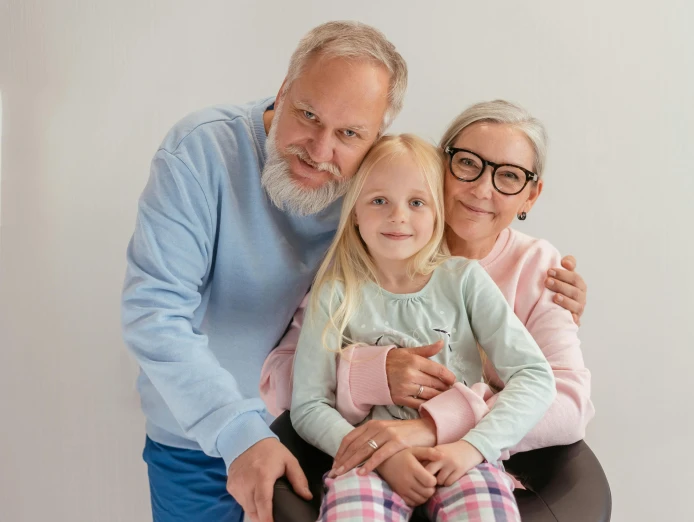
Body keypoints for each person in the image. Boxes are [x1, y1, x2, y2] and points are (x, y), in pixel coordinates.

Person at [121, 19, 585, 521]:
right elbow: (157, 314)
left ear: (375, 138)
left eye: (348, 133)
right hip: (206, 438)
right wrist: (361, 381)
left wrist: (432, 426)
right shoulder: (204, 152)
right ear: (283, 89)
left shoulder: (397, 206)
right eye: (307, 115)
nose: (321, 151)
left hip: (349, 450)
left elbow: (554, 391)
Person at [261, 101, 593, 488]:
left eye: (509, 176)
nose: (483, 188)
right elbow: (280, 379)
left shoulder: (543, 269)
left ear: (530, 196)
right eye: (469, 163)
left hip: (467, 463)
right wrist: (369, 374)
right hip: (372, 464)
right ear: (440, 165)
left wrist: (431, 426)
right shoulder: (361, 255)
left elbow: (569, 404)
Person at [290, 133, 555, 521]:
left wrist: (473, 448)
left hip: (459, 455)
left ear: (437, 214)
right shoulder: (334, 294)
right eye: (379, 201)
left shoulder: (464, 280)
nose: (398, 216)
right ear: (355, 211)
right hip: (370, 464)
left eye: (417, 203)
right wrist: (382, 455)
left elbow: (534, 376)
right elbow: (309, 405)